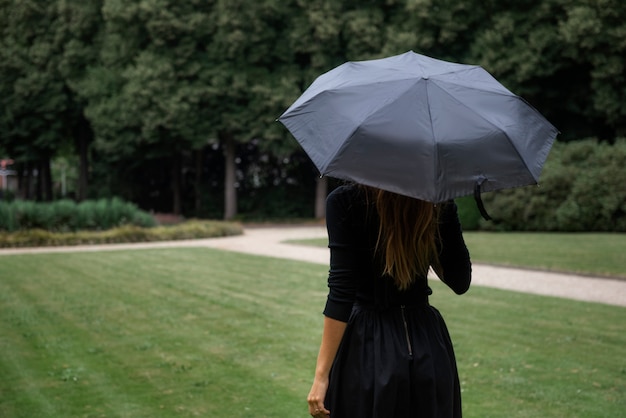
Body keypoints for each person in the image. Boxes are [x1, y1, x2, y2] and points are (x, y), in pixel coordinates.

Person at [307, 183, 472, 418]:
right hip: (428, 345)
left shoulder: (346, 200)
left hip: (368, 347)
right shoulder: (437, 203)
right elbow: (460, 280)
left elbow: (341, 292)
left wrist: (321, 376)